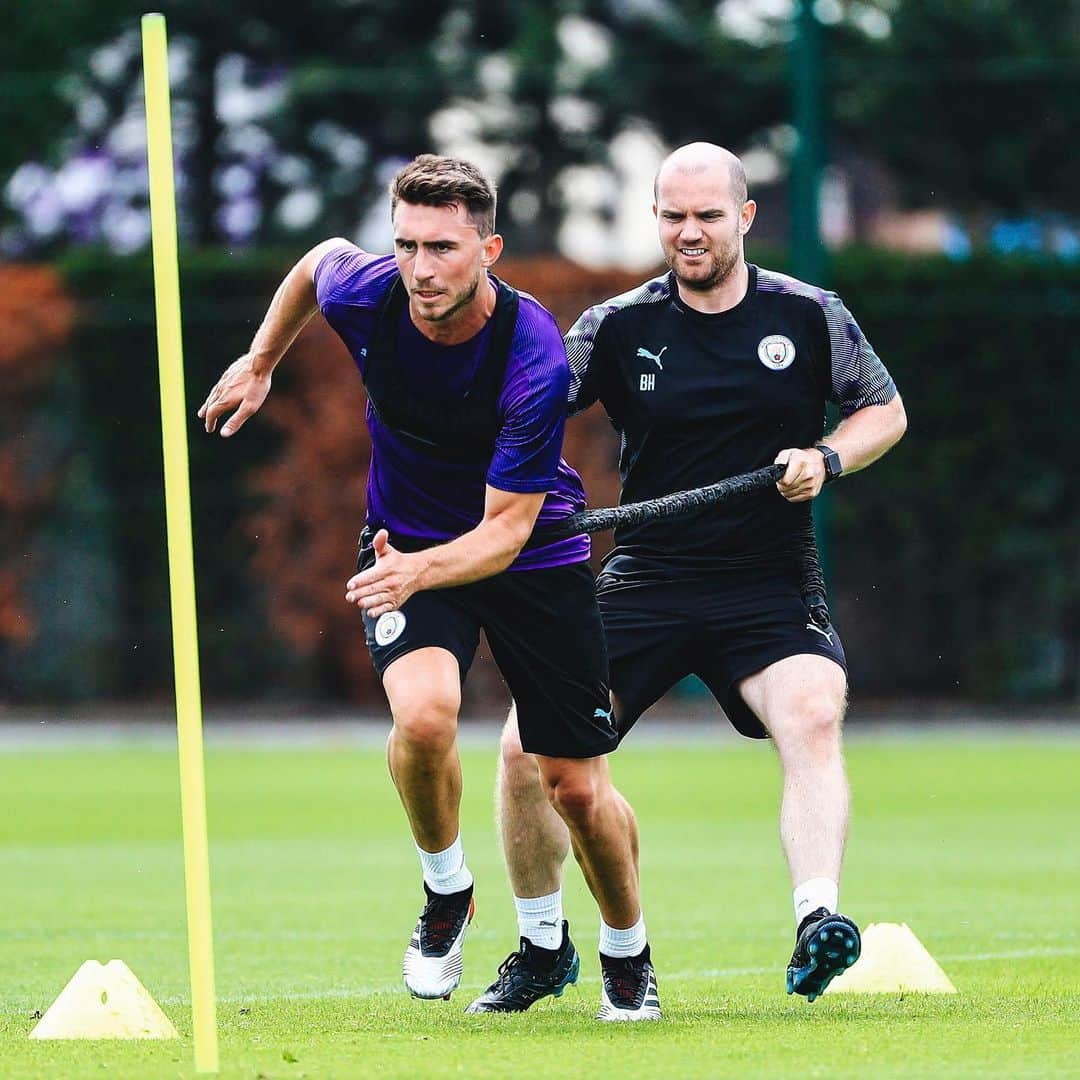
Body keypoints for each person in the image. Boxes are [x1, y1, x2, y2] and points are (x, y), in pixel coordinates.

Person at [198, 154, 661, 1020]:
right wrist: (261, 361)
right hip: (406, 545)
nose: (420, 269)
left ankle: (627, 954)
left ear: (488, 249)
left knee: (573, 787)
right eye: (407, 244)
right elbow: (312, 264)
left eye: (442, 248)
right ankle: (448, 891)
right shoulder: (367, 290)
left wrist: (414, 570)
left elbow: (506, 532)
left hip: (526, 557)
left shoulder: (533, 356)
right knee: (423, 715)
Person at [468, 142, 906, 1014]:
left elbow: (883, 410)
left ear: (744, 217)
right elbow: (527, 412)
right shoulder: (618, 325)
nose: (690, 231)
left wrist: (825, 458)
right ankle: (542, 943)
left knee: (814, 713)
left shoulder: (809, 314)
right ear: (656, 219)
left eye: (708, 215)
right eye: (673, 215)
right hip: (648, 578)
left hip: (770, 582)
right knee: (525, 755)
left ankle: (817, 917)